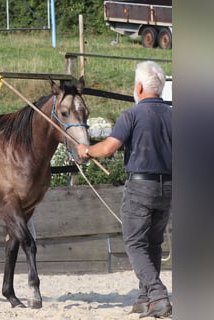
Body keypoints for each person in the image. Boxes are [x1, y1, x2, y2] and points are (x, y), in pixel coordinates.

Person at [77, 61, 172, 318]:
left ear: (139, 87)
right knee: (153, 242)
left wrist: (86, 151)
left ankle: (158, 294)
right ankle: (144, 300)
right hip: (169, 188)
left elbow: (108, 148)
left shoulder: (132, 115)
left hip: (141, 186)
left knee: (134, 243)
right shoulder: (175, 114)